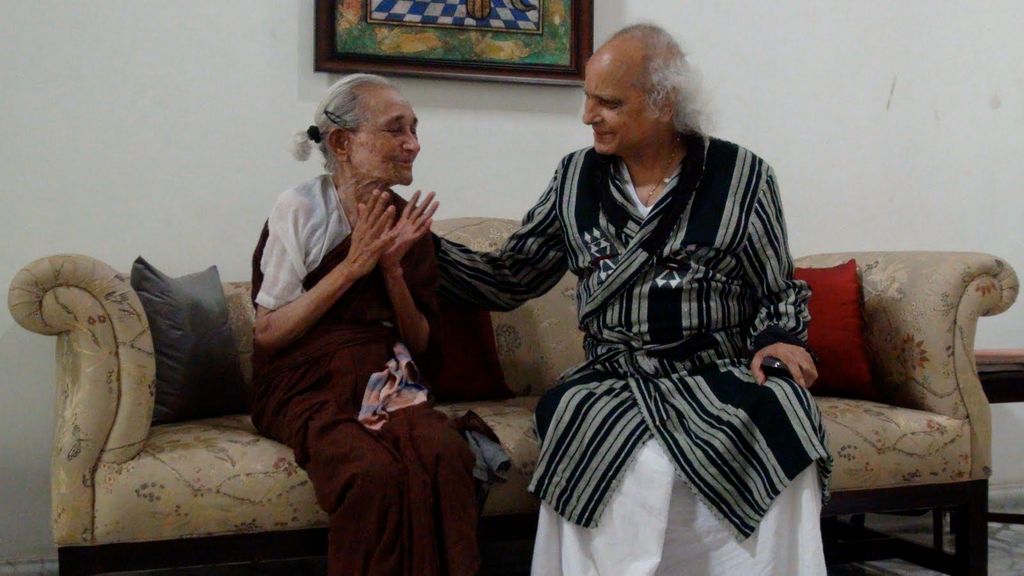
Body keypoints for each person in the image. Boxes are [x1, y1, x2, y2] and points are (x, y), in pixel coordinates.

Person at [434, 24, 833, 575]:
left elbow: (776, 286)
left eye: (609, 102)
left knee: (784, 408)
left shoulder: (741, 176)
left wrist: (781, 340)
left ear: (665, 103)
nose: (587, 115)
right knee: (590, 420)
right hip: (615, 372)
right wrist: (419, 253)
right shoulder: (575, 178)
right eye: (587, 96)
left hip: (713, 366)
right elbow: (511, 275)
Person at [249, 74, 481, 576]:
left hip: (384, 377)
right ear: (342, 142)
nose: (413, 144)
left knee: (446, 454)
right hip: (304, 383)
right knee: (369, 471)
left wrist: (392, 271)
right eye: (396, 130)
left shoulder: (406, 222)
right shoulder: (301, 210)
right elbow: (268, 334)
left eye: (415, 129)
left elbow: (421, 347)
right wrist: (353, 267)